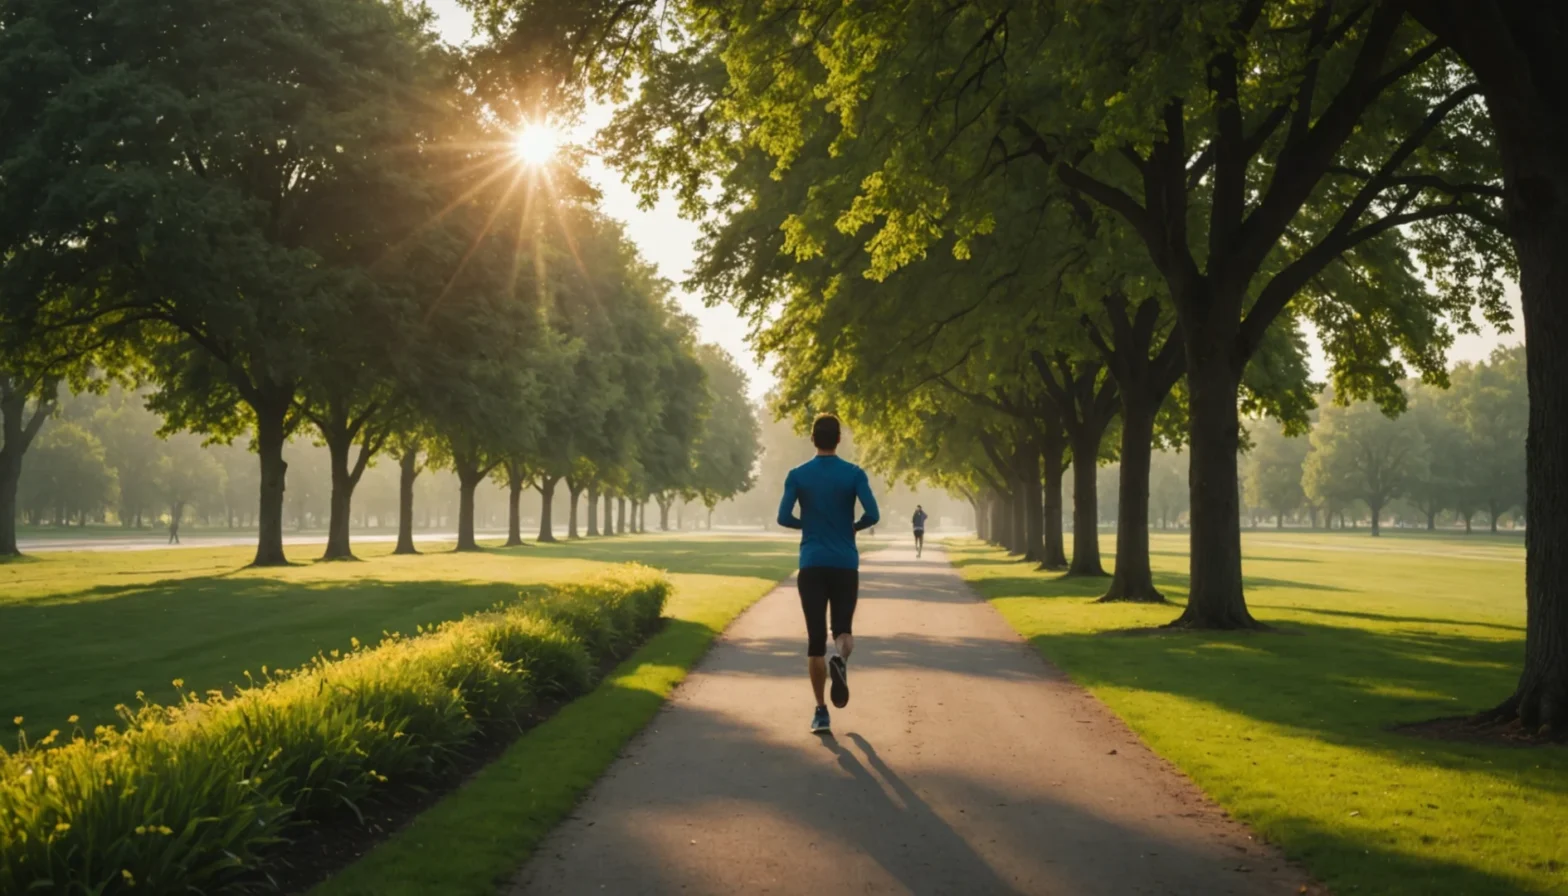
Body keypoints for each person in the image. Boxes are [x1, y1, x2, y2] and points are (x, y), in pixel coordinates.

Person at [777, 413, 879, 734]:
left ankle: (821, 712)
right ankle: (841, 660)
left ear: (812, 439)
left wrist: (807, 524)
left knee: (814, 639)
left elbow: (783, 517)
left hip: (812, 564)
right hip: (845, 564)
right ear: (839, 439)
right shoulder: (854, 474)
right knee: (843, 631)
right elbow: (872, 514)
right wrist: (853, 527)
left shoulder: (797, 475)